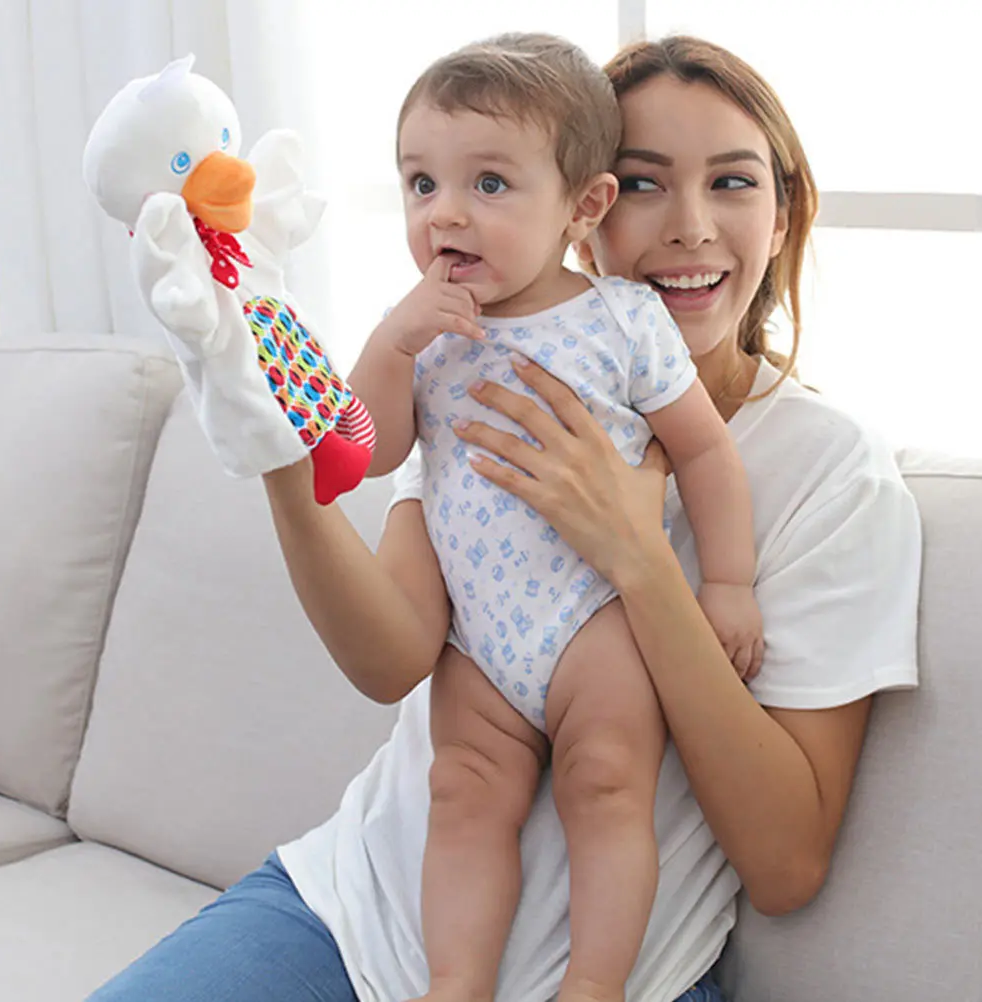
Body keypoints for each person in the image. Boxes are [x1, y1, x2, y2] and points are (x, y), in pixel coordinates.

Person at [88, 33, 921, 1002]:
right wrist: (278, 448)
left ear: (784, 215)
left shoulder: (832, 470)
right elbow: (390, 655)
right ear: (590, 212)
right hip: (351, 913)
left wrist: (641, 557)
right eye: (645, 182)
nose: (690, 225)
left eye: (732, 183)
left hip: (619, 975)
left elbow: (786, 865)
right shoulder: (470, 362)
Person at [345, 34, 763, 1002]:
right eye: (421, 183)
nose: (445, 211)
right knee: (463, 795)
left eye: (489, 184)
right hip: (479, 638)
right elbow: (366, 451)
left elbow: (702, 451)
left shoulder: (620, 320)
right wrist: (386, 347)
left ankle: (594, 983)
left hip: (593, 617)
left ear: (584, 205)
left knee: (608, 783)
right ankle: (457, 981)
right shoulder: (430, 328)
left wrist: (729, 581)